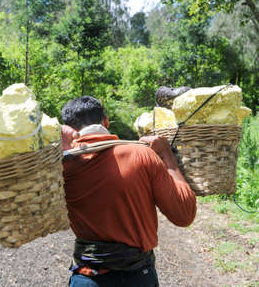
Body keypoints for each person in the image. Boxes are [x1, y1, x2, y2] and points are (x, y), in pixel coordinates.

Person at [61, 96, 197, 287]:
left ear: (69, 129)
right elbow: (184, 215)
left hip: (87, 278)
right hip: (139, 278)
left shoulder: (61, 166)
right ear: (106, 122)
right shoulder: (142, 155)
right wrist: (167, 155)